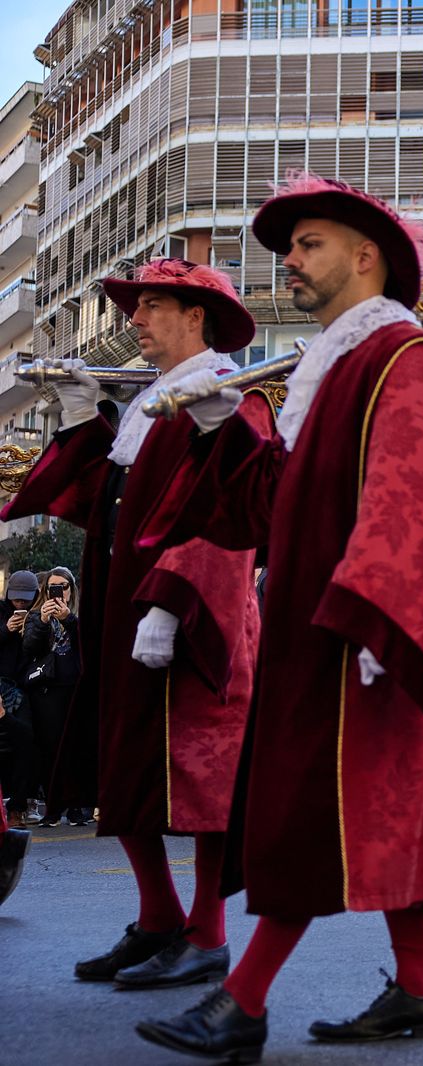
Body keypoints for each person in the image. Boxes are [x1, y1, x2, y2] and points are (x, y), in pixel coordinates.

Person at [134, 173, 423, 1059]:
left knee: (312, 818)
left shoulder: (407, 358)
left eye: (309, 243)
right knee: (379, 816)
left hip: (357, 633)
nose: (289, 259)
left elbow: (416, 500)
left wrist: (379, 619)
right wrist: (224, 429)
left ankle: (240, 1000)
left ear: (368, 258)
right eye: (291, 247)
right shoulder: (328, 369)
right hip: (319, 629)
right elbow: (267, 510)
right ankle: (422, 989)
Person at [2, 258, 268, 995]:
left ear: (195, 317)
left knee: (200, 778)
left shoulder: (232, 401)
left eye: (150, 306)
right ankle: (159, 918)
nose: (135, 321)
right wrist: (87, 419)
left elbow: (235, 518)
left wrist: (170, 604)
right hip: (128, 615)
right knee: (125, 776)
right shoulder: (152, 406)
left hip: (193, 617)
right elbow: (111, 506)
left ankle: (208, 937)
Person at [22, 567, 87, 828]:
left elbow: (90, 646)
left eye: (63, 586)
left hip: (75, 688)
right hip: (47, 690)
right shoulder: (37, 615)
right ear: (46, 590)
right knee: (50, 749)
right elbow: (29, 648)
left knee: (74, 748)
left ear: (71, 590)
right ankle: (52, 808)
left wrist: (70, 620)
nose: (58, 591)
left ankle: (75, 808)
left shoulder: (80, 616)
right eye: (52, 587)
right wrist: (42, 622)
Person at [0, 571, 39, 828]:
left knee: (26, 740)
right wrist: (6, 630)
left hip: (22, 688)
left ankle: (17, 808)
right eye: (16, 599)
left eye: (25, 599)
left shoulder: (39, 616)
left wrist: (31, 629)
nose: (20, 604)